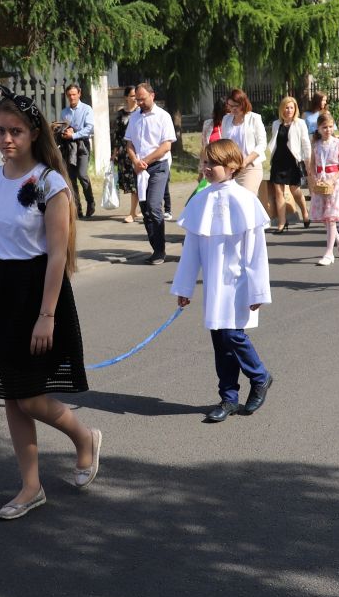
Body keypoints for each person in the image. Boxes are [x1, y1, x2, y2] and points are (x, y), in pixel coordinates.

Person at [0, 87, 101, 521]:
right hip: (0, 291)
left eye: (15, 131)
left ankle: (84, 438)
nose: (7, 139)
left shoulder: (51, 184)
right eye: (0, 131)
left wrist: (46, 316)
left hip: (38, 292)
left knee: (28, 397)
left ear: (33, 133)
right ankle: (31, 485)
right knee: (13, 395)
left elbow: (55, 255)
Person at [170, 139, 272, 424]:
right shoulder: (200, 201)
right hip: (215, 283)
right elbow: (191, 251)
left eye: (212, 164)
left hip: (239, 282)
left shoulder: (246, 201)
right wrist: (184, 287)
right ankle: (228, 397)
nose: (206, 168)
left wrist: (258, 289)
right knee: (219, 339)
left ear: (232, 167)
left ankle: (260, 376)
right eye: (204, 163)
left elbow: (256, 252)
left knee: (232, 335)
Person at [125, 82, 176, 265]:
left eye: (142, 99)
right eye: (137, 99)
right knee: (145, 209)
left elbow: (166, 146)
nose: (139, 103)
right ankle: (155, 248)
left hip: (158, 166)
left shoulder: (163, 117)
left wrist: (146, 161)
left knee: (154, 206)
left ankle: (161, 250)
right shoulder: (134, 118)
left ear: (152, 95)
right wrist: (135, 161)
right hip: (141, 168)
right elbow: (129, 143)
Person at [266, 96, 313, 232]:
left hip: (293, 162)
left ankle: (304, 212)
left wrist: (307, 162)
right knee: (279, 192)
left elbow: (305, 144)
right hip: (278, 161)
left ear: (295, 109)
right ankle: (282, 222)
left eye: (291, 107)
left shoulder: (300, 123)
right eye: (286, 107)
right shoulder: (276, 124)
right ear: (282, 109)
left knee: (294, 190)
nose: (289, 110)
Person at [308, 113, 339, 265]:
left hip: (335, 182)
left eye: (330, 126)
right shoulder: (316, 145)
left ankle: (329, 253)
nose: (328, 130)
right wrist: (314, 176)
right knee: (325, 218)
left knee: (331, 218)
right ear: (318, 128)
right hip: (321, 182)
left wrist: (334, 178)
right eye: (324, 127)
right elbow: (312, 164)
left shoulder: (338, 143)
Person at [218, 88, 268, 200]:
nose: (233, 109)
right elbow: (224, 143)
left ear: (243, 103)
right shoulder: (226, 119)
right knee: (232, 201)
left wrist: (246, 161)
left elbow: (262, 144)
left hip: (250, 167)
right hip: (231, 168)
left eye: (236, 105)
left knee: (246, 199)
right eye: (230, 106)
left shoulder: (254, 118)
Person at [58, 83, 95, 218]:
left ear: (79, 94)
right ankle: (77, 208)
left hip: (82, 145)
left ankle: (90, 202)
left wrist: (74, 134)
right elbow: (62, 128)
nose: (72, 97)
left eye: (74, 94)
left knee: (82, 174)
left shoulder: (87, 109)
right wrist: (63, 132)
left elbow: (89, 128)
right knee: (71, 178)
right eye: (69, 95)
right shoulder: (65, 112)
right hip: (69, 147)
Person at [112, 85, 141, 223]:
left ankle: (132, 212)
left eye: (136, 96)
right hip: (124, 152)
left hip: (138, 151)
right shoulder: (121, 114)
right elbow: (117, 135)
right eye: (132, 95)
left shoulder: (141, 112)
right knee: (129, 182)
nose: (135, 98)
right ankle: (136, 209)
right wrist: (114, 153)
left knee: (136, 181)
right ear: (126, 97)